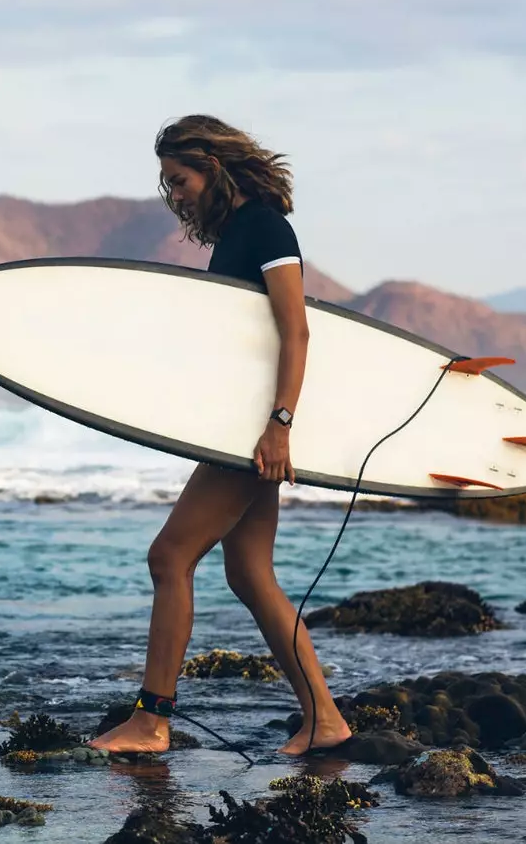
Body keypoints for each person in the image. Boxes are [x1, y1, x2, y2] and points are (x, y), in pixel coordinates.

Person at [86, 115, 352, 757]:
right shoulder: (233, 235)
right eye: (167, 183)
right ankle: (325, 719)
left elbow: (297, 331)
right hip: (243, 429)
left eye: (179, 180)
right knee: (249, 572)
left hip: (254, 432)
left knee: (169, 558)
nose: (174, 194)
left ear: (214, 167)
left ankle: (151, 723)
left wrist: (279, 426)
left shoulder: (263, 226)